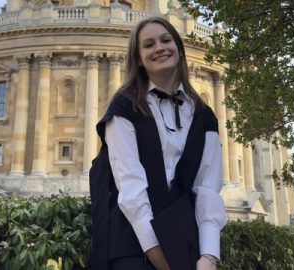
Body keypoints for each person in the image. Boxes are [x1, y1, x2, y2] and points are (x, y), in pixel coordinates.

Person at [89, 17, 227, 270]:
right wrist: (159, 257)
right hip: (132, 244)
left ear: (179, 49)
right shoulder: (124, 106)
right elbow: (130, 186)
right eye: (149, 44)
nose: (160, 48)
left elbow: (207, 188)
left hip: (184, 240)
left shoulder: (204, 115)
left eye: (166, 40)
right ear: (139, 59)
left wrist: (208, 256)